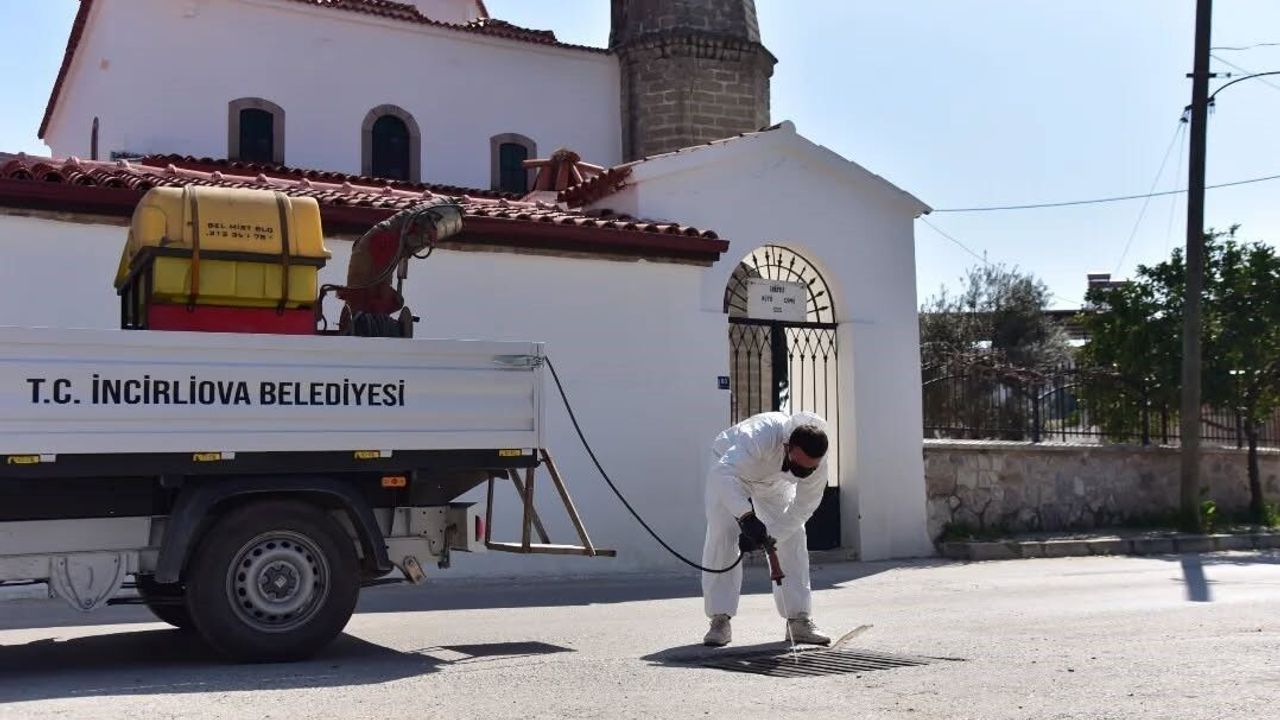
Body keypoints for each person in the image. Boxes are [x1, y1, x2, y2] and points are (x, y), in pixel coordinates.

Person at [701, 410, 832, 647]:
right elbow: (723, 472)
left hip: (775, 482)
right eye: (798, 466)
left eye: (808, 469)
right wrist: (746, 516)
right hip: (731, 473)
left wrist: (771, 535)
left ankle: (798, 619)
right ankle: (719, 619)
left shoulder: (817, 463)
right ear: (787, 446)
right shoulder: (760, 435)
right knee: (723, 534)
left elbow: (803, 507)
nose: (804, 473)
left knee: (793, 536)